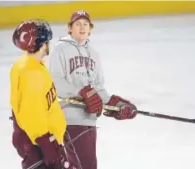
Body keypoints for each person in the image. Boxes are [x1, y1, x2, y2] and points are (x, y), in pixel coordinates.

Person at [48, 10, 137, 169]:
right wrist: (80, 91)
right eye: (77, 24)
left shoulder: (94, 54)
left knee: (83, 165)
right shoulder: (60, 49)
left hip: (89, 118)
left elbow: (98, 88)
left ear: (91, 29)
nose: (82, 27)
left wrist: (116, 105)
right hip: (69, 118)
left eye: (85, 24)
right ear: (69, 28)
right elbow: (55, 82)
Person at [10, 19, 77, 169]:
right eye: (47, 41)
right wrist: (47, 143)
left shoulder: (28, 64)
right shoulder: (32, 73)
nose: (49, 44)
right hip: (40, 144)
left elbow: (29, 102)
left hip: (40, 140)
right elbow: (32, 112)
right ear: (42, 45)